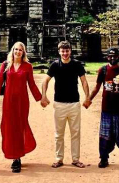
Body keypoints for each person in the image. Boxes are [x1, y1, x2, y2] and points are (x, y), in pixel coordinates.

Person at [0, 42, 42, 173]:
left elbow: (32, 84)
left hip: (22, 102)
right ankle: (13, 154)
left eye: (20, 50)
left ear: (24, 53)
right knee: (9, 127)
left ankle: (16, 158)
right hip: (8, 102)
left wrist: (41, 98)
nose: (18, 52)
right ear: (12, 51)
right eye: (16, 49)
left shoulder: (28, 66)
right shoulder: (5, 65)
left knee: (19, 127)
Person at [40, 40, 90, 168]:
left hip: (74, 103)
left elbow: (84, 81)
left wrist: (87, 97)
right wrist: (44, 96)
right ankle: (59, 158)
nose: (65, 53)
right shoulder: (55, 65)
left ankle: (75, 159)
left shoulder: (77, 65)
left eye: (67, 51)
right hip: (59, 104)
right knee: (59, 134)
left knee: (75, 133)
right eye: (63, 51)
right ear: (59, 52)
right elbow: (45, 81)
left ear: (70, 51)